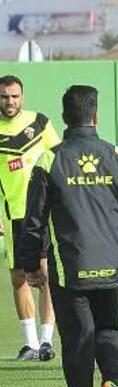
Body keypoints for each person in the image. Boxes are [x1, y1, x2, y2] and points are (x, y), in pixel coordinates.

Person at [21, 84, 118, 387]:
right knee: (109, 329)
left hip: (70, 266)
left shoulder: (50, 159)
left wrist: (29, 263)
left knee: (78, 341)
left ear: (65, 118)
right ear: (96, 115)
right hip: (112, 263)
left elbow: (32, 219)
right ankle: (111, 381)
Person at [0, 75, 60, 361]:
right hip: (13, 216)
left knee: (47, 276)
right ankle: (30, 344)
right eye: (4, 96)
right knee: (19, 278)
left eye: (14, 96)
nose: (9, 101)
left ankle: (47, 341)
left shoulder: (40, 123)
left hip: (43, 213)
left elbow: (58, 161)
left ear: (22, 97)